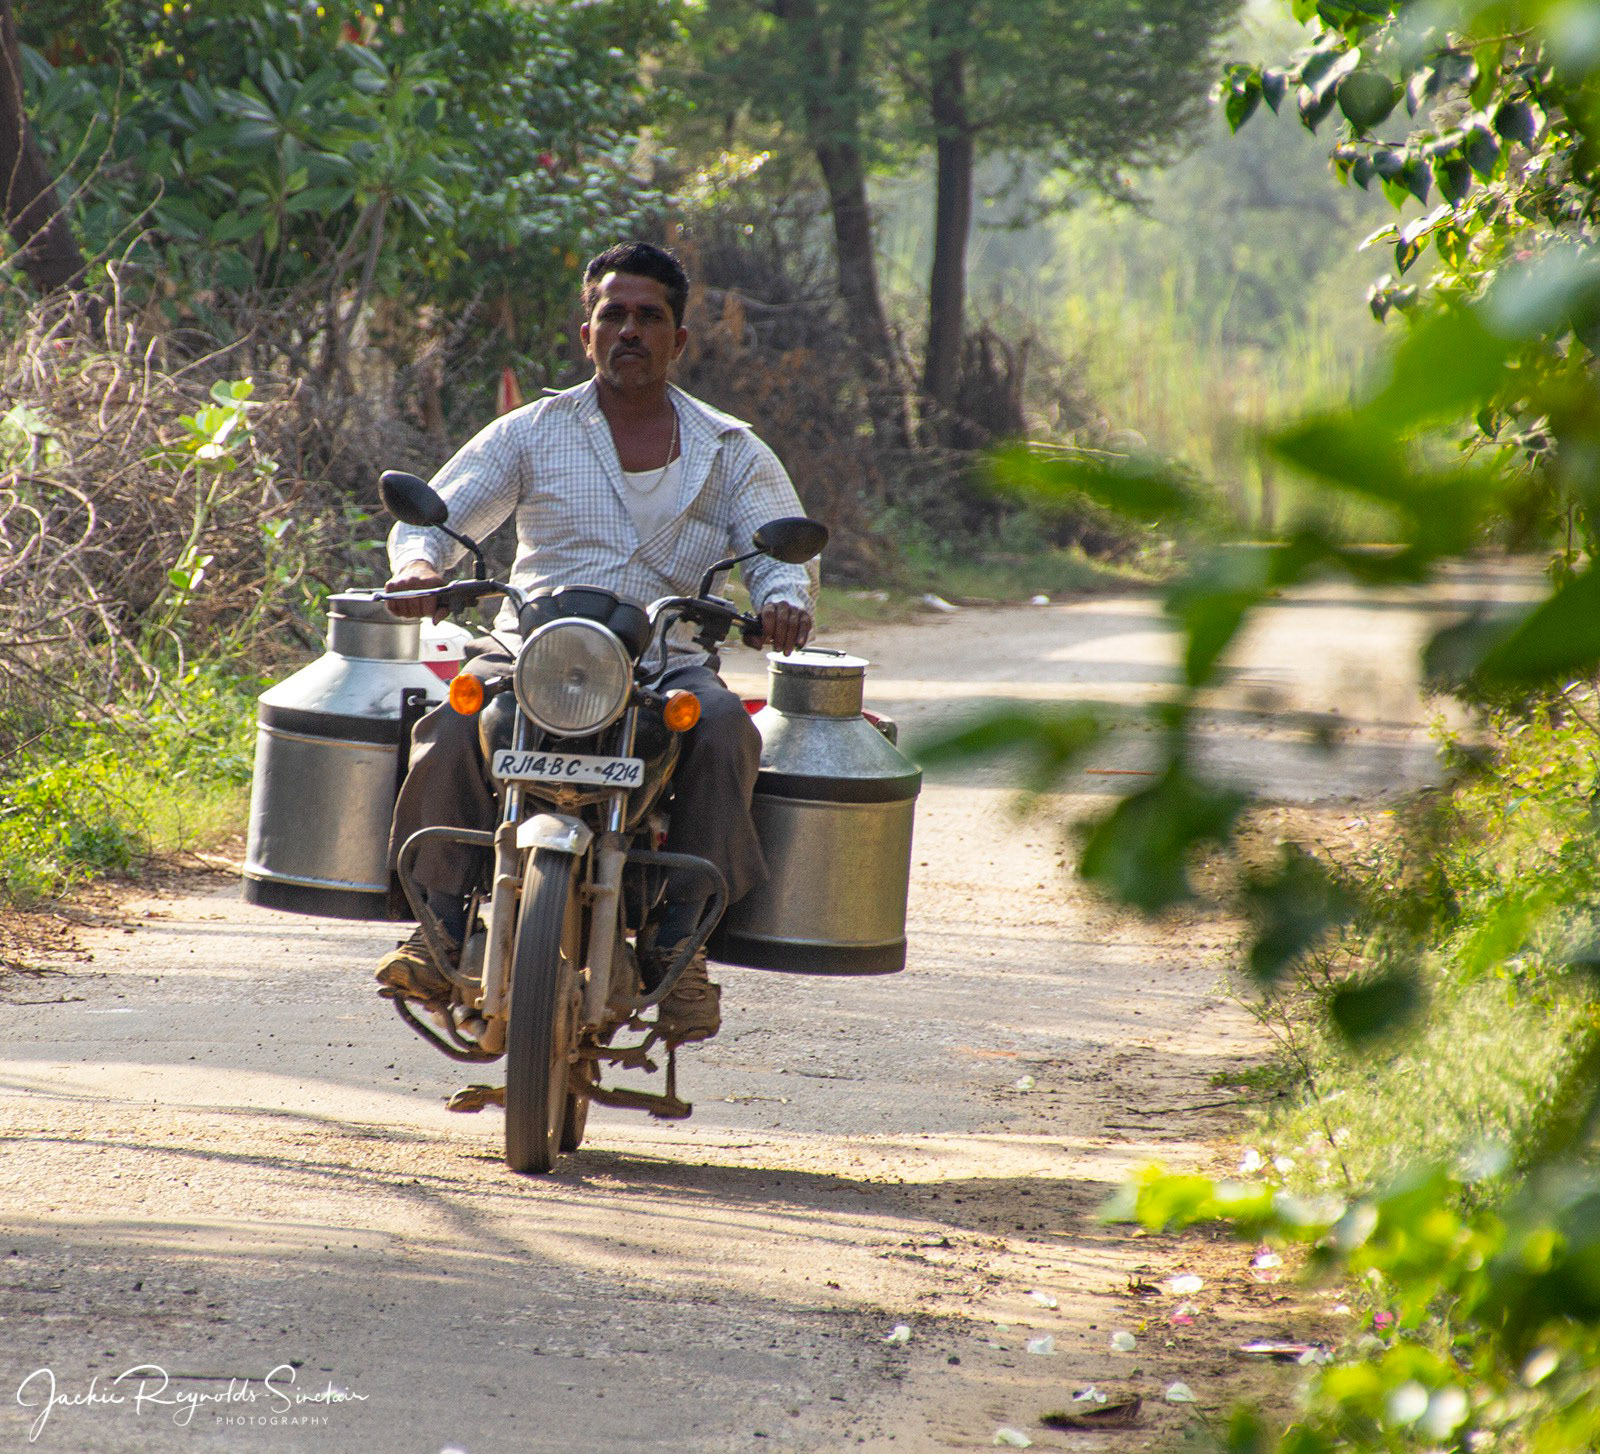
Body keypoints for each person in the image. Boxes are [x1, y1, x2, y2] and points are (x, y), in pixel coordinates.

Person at [377, 241, 816, 1044]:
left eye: (650, 317)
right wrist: (417, 567)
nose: (630, 331)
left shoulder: (731, 448)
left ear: (679, 340)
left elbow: (773, 551)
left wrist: (783, 600)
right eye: (613, 315)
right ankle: (436, 933)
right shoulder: (532, 431)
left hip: (663, 661)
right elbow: (438, 514)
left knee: (725, 732)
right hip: (534, 652)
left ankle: (683, 951)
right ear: (587, 333)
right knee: (449, 723)